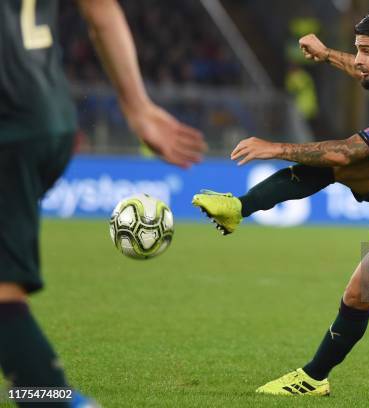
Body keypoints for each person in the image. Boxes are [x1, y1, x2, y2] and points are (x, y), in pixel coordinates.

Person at [192, 8, 369, 396]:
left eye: (364, 50)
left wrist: (273, 147)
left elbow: (344, 152)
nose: (357, 59)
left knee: (358, 294)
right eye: (356, 50)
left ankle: (313, 378)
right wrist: (327, 54)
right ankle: (239, 208)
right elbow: (363, 79)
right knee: (333, 165)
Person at [0, 0, 205, 406]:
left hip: (8, 122)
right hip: (49, 117)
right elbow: (101, 10)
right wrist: (138, 107)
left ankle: (52, 399)